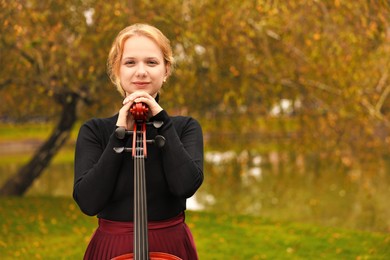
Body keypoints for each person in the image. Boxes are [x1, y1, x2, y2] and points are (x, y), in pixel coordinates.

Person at [73, 23, 204, 260]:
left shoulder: (185, 128)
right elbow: (88, 202)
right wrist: (118, 134)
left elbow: (185, 186)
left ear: (166, 71)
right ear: (117, 71)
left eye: (152, 62)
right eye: (130, 62)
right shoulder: (95, 131)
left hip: (170, 246)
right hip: (112, 247)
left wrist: (163, 121)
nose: (141, 71)